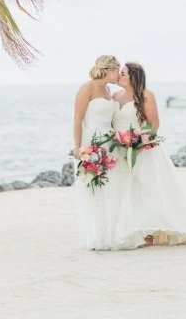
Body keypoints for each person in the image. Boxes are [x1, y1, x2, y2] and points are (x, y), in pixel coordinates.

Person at [111, 62, 186, 249]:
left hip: (143, 151)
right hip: (120, 150)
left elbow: (153, 125)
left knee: (147, 191)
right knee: (126, 190)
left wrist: (138, 145)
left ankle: (150, 232)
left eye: (123, 73)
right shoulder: (115, 96)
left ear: (134, 76)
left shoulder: (145, 96)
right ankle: (132, 230)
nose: (119, 75)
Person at [73, 54, 120, 250]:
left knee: (110, 188)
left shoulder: (108, 89)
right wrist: (77, 147)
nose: (119, 74)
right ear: (108, 70)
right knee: (94, 187)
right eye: (117, 71)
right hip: (91, 141)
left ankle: (109, 234)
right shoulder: (88, 87)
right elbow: (78, 118)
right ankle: (96, 236)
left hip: (109, 143)